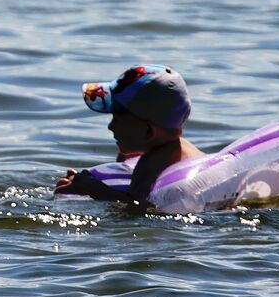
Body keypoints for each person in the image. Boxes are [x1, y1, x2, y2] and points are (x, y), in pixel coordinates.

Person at [54, 64, 204, 206]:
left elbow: (137, 207)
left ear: (148, 131)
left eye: (117, 120)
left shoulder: (150, 165)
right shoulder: (182, 147)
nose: (110, 126)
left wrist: (88, 187)